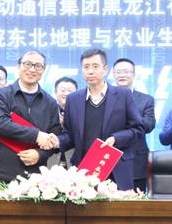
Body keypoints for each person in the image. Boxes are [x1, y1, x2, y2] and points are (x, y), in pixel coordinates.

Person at [57, 49, 143, 190]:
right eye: (86, 67)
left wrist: (116, 139)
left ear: (105, 69)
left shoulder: (123, 95)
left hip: (116, 168)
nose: (90, 71)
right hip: (84, 170)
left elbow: (138, 129)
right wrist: (56, 141)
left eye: (95, 66)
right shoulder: (73, 99)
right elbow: (70, 135)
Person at [0, 50, 62, 182]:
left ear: (43, 70)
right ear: (18, 66)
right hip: (0, 172)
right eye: (27, 64)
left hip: (35, 177)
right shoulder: (3, 94)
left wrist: (40, 154)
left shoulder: (50, 102)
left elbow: (54, 138)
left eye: (38, 66)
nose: (32, 69)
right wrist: (37, 135)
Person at [112, 58, 155, 193]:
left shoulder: (146, 99)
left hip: (136, 159)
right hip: (110, 156)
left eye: (126, 71)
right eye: (118, 72)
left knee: (136, 200)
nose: (122, 75)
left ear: (134, 74)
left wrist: (129, 118)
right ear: (113, 74)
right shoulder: (105, 98)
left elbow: (149, 124)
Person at [50, 76, 78, 167]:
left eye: (70, 90)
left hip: (74, 158)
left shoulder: (82, 112)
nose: (66, 93)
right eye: (62, 90)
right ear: (55, 92)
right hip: (51, 157)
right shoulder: (48, 110)